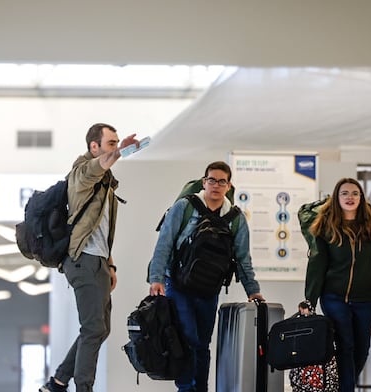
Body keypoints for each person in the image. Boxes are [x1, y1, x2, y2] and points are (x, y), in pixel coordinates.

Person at [148, 161, 265, 392]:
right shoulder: (185, 207)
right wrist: (156, 278)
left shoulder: (235, 218)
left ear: (228, 185)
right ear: (204, 182)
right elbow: (165, 243)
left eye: (222, 181)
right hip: (178, 285)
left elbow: (243, 258)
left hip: (209, 289)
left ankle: (200, 388)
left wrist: (253, 290)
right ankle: (185, 388)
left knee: (202, 343)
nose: (216, 185)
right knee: (187, 337)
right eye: (212, 180)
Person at [40, 123, 139, 392]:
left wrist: (110, 264)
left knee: (100, 329)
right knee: (93, 328)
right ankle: (82, 387)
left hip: (98, 262)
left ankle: (58, 382)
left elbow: (101, 228)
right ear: (94, 146)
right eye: (110, 143)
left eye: (116, 142)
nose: (115, 148)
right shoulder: (81, 173)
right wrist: (118, 152)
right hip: (81, 260)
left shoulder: (107, 183)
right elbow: (99, 166)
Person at [304, 178, 371, 392]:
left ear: (361, 198)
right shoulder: (324, 226)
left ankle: (341, 386)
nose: (350, 197)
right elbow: (317, 264)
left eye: (354, 193)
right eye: (344, 193)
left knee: (362, 350)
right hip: (333, 297)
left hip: (365, 298)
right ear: (336, 198)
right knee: (345, 345)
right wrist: (309, 299)